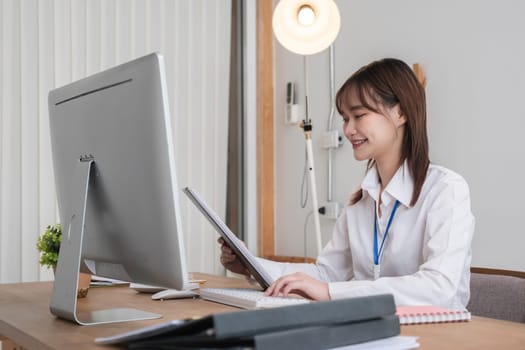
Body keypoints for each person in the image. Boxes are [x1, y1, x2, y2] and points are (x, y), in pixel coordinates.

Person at [219, 58, 475, 309]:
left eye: (359, 115)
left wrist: (329, 293)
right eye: (345, 118)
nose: (348, 129)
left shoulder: (446, 189)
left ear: (401, 113)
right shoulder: (360, 199)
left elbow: (439, 288)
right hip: (375, 331)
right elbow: (326, 273)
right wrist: (251, 265)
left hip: (439, 335)